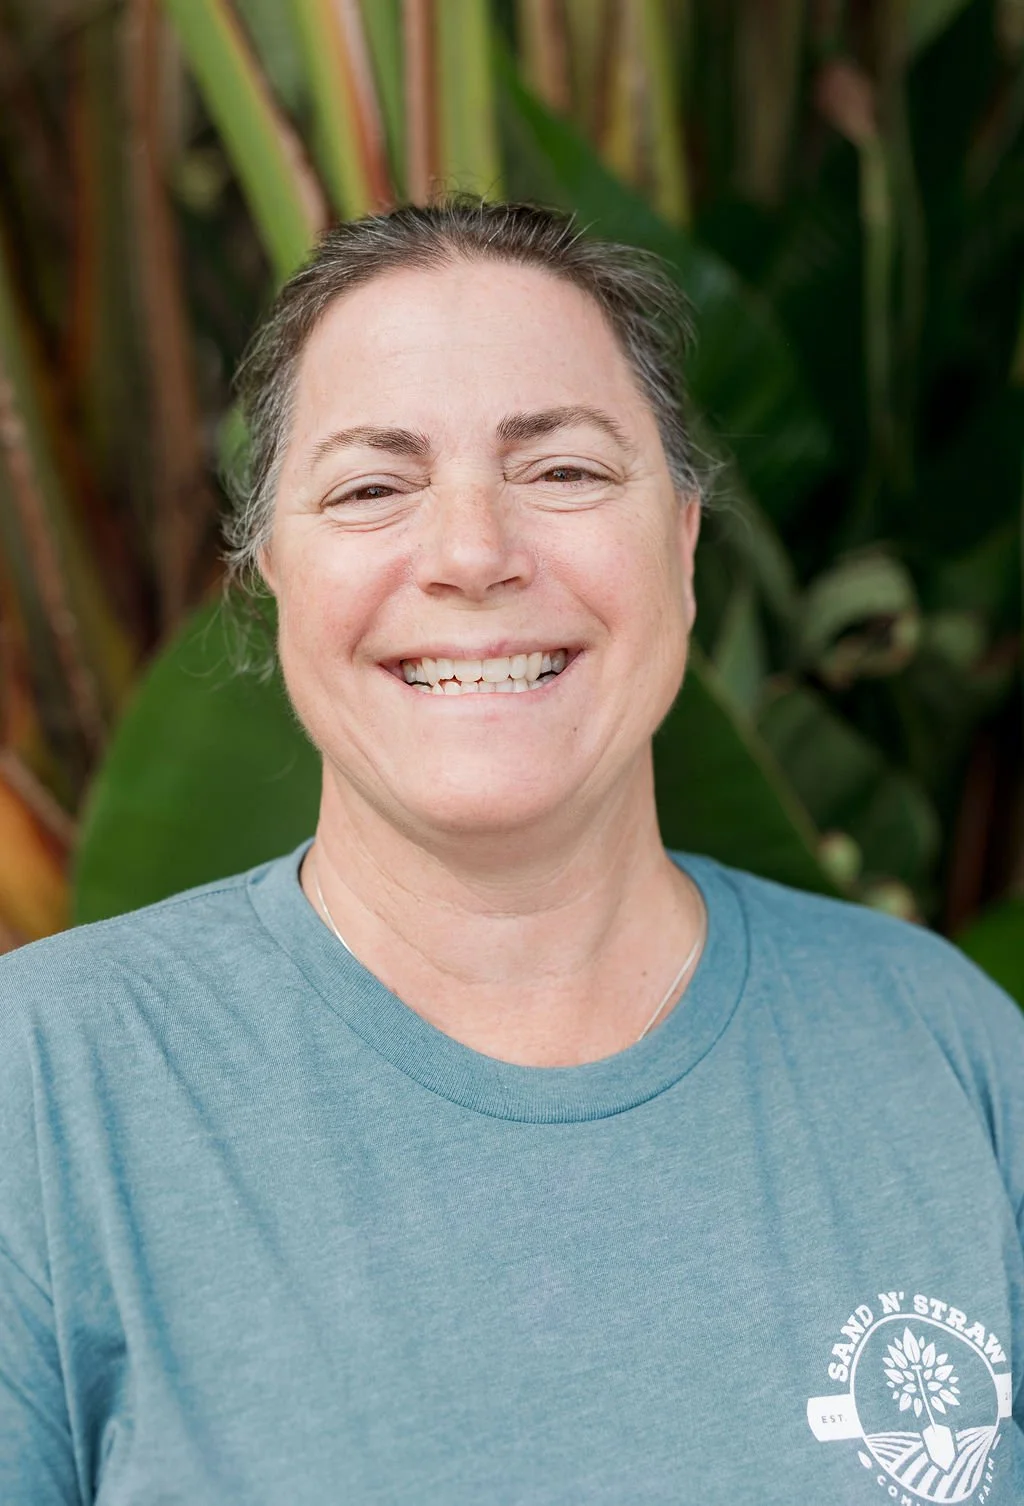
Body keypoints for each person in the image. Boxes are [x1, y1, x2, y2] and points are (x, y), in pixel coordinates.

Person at [0, 199, 1021, 1506]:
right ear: (269, 577)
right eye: (373, 487)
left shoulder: (944, 1052)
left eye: (565, 471)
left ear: (686, 545)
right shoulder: (52, 1086)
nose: (475, 553)